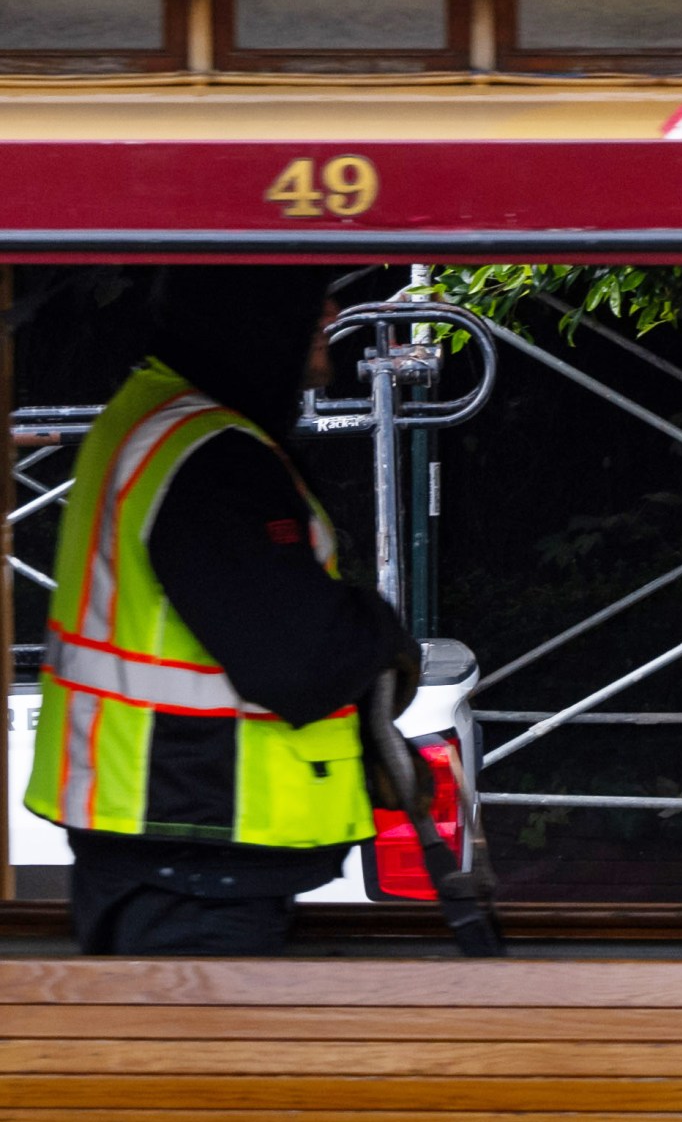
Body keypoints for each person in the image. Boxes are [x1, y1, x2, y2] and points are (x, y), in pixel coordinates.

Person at [26, 272, 419, 957]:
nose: (328, 311)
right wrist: (380, 635)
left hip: (178, 857)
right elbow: (301, 660)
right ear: (251, 310)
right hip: (196, 863)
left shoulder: (164, 420)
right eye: (303, 293)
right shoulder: (207, 451)